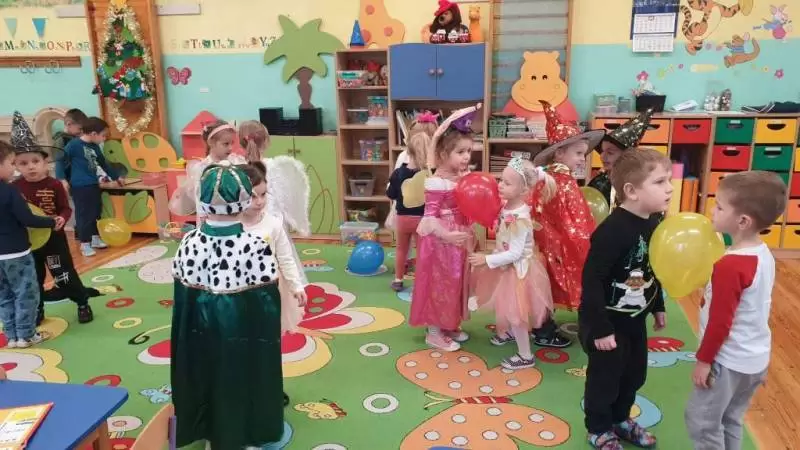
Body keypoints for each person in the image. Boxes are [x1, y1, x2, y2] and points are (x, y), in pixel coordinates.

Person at [171, 164, 300, 449]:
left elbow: (182, 303)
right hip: (241, 336)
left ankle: (209, 430)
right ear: (242, 201)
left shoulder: (188, 243)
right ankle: (241, 432)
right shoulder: (253, 246)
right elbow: (266, 303)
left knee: (206, 374)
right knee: (239, 376)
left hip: (200, 334)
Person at [579, 148, 672, 450]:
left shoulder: (654, 222)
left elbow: (654, 266)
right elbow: (592, 280)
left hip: (634, 319)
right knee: (605, 378)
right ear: (631, 191)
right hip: (606, 322)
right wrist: (601, 328)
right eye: (660, 182)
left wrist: (658, 306)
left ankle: (620, 419)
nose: (670, 188)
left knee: (634, 375)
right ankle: (598, 428)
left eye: (669, 180)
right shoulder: (612, 231)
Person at [685, 171, 786, 450]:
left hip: (726, 361)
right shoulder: (763, 254)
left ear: (742, 221)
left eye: (719, 207)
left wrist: (704, 360)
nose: (712, 211)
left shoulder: (730, 267)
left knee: (703, 423)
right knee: (731, 418)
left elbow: (720, 323)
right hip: (754, 360)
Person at [528, 100, 605, 348]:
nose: (583, 159)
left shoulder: (547, 176)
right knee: (554, 283)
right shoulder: (563, 181)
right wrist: (588, 243)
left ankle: (541, 325)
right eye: (579, 153)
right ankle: (543, 330)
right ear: (559, 153)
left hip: (544, 242)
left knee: (545, 285)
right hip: (559, 244)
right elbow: (575, 220)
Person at [469, 156, 556, 369]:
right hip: (506, 265)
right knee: (505, 304)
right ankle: (508, 332)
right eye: (501, 180)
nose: (500, 185)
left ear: (523, 190)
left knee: (516, 313)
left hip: (518, 271)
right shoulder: (508, 206)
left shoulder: (519, 218)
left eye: (507, 183)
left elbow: (515, 253)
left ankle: (525, 355)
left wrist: (486, 259)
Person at [10, 112, 95, 325]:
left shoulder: (54, 185)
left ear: (45, 162)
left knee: (62, 273)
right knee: (33, 277)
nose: (31, 166)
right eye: (24, 163)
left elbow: (65, 208)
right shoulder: (14, 188)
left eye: (35, 161)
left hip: (54, 239)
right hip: (28, 242)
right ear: (16, 166)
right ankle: (38, 309)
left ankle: (82, 302)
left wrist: (62, 219)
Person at [409, 105, 480, 352]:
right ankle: (434, 332)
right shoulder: (436, 182)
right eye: (460, 152)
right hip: (440, 243)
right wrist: (447, 235)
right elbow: (429, 219)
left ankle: (448, 323)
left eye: (469, 151)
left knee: (456, 282)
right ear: (441, 154)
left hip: (457, 239)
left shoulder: (460, 178)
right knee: (440, 285)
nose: (466, 157)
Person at [0, 140, 60, 349]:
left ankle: (12, 336)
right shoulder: (10, 191)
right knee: (25, 293)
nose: (14, 169)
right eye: (11, 163)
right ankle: (26, 335)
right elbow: (27, 219)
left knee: (4, 295)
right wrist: (51, 221)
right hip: (16, 253)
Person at [55, 116, 122, 257]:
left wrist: (117, 177)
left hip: (93, 184)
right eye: (103, 135)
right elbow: (60, 160)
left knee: (96, 212)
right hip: (80, 186)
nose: (104, 139)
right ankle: (85, 243)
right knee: (84, 215)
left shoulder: (94, 146)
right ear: (93, 134)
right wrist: (62, 179)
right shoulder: (74, 145)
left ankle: (95, 239)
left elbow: (104, 163)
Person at [387, 112, 436, 291]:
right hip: (422, 219)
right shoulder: (431, 172)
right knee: (422, 250)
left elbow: (391, 193)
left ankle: (398, 279)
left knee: (401, 248)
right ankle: (422, 280)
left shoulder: (399, 171)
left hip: (402, 218)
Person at [168, 120, 247, 226]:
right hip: (210, 219)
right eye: (226, 144)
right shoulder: (202, 168)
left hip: (234, 216)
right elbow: (198, 196)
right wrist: (203, 218)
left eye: (232, 143)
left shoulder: (236, 162)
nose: (230, 148)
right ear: (211, 143)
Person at [587, 109, 654, 206]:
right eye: (602, 151)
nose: (602, 156)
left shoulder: (637, 184)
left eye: (610, 153)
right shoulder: (599, 182)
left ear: (627, 156)